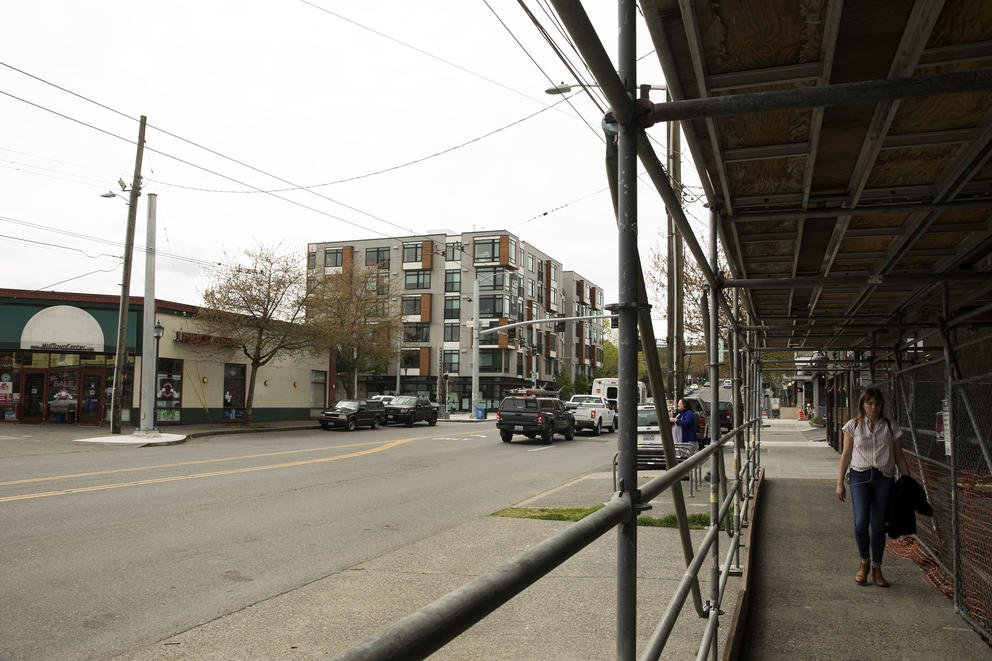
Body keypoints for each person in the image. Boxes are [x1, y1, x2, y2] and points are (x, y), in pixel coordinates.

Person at [836, 387, 910, 587]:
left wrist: (907, 480)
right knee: (861, 523)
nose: (873, 407)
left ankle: (877, 568)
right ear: (863, 404)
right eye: (869, 403)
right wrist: (840, 483)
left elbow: (899, 454)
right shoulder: (853, 426)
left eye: (877, 403)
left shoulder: (890, 426)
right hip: (859, 477)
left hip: (883, 478)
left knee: (878, 525)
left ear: (881, 405)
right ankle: (864, 562)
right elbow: (846, 454)